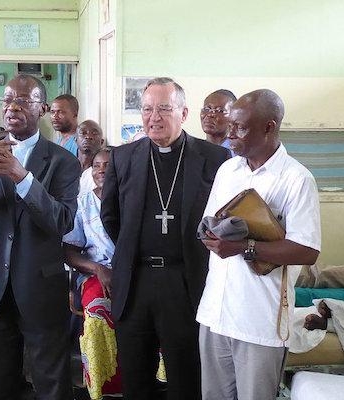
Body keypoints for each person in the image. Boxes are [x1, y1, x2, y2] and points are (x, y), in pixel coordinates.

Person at [100, 77, 229, 399]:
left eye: (163, 109)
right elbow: (111, 217)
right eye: (146, 109)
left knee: (187, 376)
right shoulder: (123, 157)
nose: (153, 117)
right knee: (135, 376)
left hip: (186, 280)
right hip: (136, 280)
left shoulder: (214, 159)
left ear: (183, 113)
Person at [0, 74, 81, 400]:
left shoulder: (63, 161)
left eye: (23, 100)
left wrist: (22, 177)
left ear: (42, 108)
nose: (12, 106)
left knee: (51, 384)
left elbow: (62, 222)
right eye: (7, 99)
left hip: (40, 286)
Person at [196, 89, 321, 400]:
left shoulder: (296, 179)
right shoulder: (228, 170)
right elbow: (211, 221)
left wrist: (244, 248)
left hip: (259, 321)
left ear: (269, 126)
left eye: (240, 127)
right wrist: (210, 236)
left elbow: (307, 250)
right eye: (231, 125)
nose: (231, 134)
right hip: (215, 313)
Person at [64, 147, 122, 399]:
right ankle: (101, 386)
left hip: (130, 272)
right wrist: (99, 269)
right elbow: (69, 252)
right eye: (96, 165)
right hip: (93, 273)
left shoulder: (131, 199)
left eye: (107, 165)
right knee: (98, 307)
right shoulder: (83, 204)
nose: (101, 170)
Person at [200, 89, 237, 156]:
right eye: (207, 109)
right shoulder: (195, 151)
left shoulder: (238, 154)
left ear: (233, 117)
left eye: (219, 111)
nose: (210, 114)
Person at [76, 120, 105, 195]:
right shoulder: (66, 167)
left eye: (94, 133)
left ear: (101, 142)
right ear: (76, 140)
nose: (88, 137)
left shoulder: (103, 171)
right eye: (83, 133)